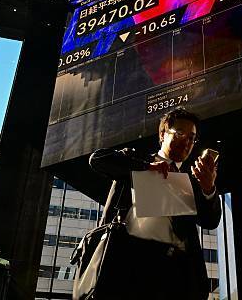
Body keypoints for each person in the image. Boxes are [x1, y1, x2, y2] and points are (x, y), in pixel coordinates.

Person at [89, 107, 221, 300]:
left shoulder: (193, 181)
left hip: (176, 278)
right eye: (180, 133)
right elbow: (97, 160)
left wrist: (208, 189)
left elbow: (210, 221)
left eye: (192, 138)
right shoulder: (137, 161)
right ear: (162, 134)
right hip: (129, 269)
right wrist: (145, 168)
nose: (187, 141)